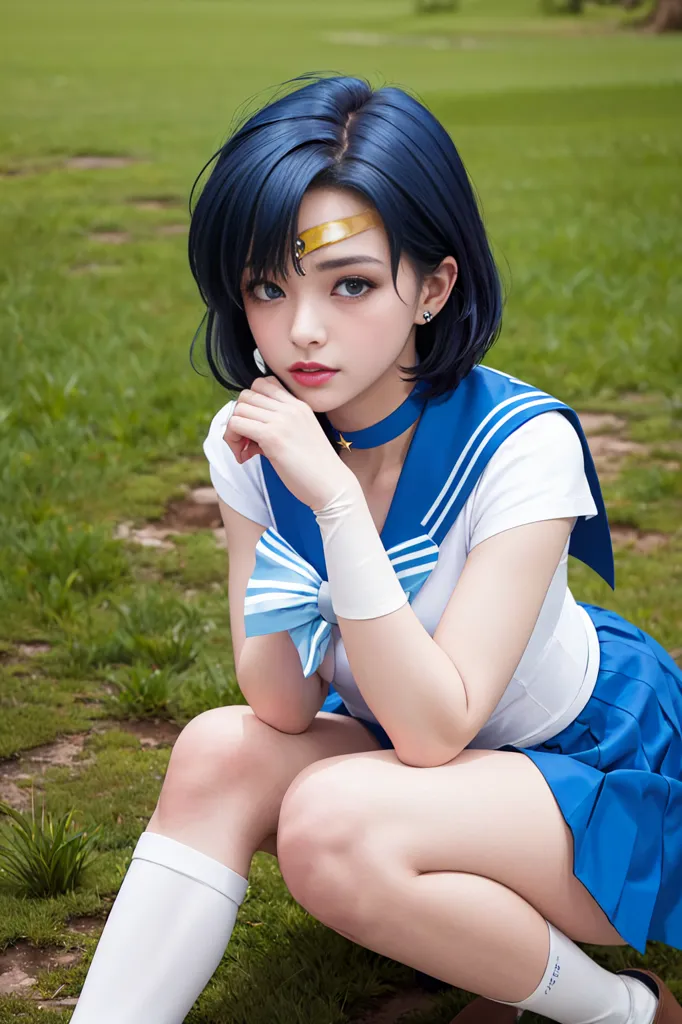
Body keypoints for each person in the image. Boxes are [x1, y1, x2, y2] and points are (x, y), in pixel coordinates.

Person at [69, 74, 682, 1024]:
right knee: (213, 752)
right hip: (428, 769)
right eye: (268, 287)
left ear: (432, 285)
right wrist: (289, 498)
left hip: (590, 771)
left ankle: (624, 1012)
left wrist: (337, 507)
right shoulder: (259, 446)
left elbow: (440, 726)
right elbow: (278, 700)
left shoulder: (522, 444)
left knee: (327, 825)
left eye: (350, 284)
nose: (301, 330)